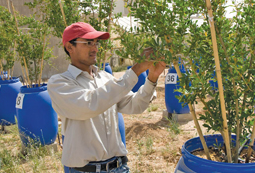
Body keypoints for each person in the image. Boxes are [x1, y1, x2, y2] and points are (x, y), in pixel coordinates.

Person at [47, 22, 166, 173]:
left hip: (119, 167)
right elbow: (89, 105)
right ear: (70, 47)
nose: (95, 48)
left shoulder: (105, 78)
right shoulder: (59, 83)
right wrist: (135, 70)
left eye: (96, 43)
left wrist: (152, 78)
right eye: (88, 43)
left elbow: (135, 105)